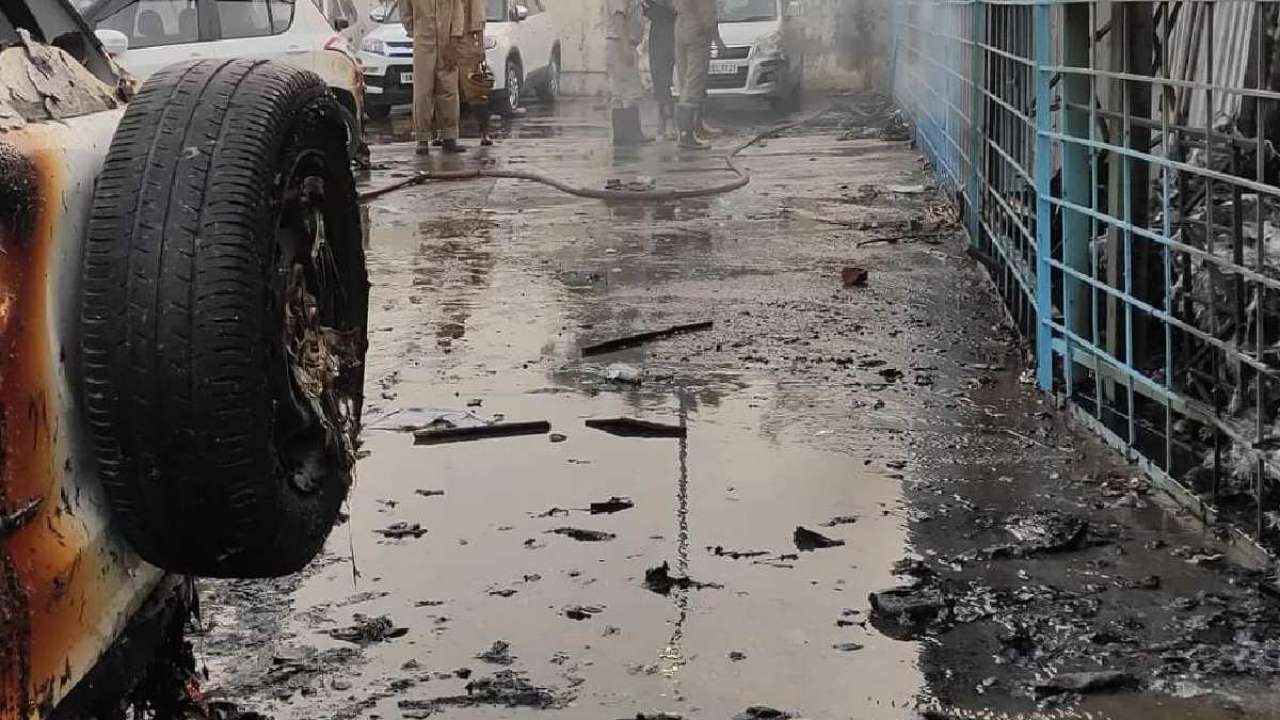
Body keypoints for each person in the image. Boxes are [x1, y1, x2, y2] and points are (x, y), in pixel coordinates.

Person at [399, 0, 467, 155]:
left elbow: (457, 12)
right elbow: (405, 13)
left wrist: (454, 41)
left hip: (447, 45)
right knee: (423, 92)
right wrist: (416, 31)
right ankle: (422, 139)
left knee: (449, 90)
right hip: (424, 44)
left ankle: (449, 137)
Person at [673, 0, 723, 149]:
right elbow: (706, 11)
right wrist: (716, 38)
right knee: (694, 82)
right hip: (696, 27)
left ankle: (695, 127)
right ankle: (686, 136)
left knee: (685, 80)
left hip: (680, 24)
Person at [606, 0, 650, 145]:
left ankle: (622, 134)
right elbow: (619, 18)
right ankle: (632, 133)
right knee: (630, 91)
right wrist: (624, 46)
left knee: (620, 92)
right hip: (620, 43)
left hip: (621, 43)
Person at [644, 0, 677, 139]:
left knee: (669, 77)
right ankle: (664, 119)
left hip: (674, 30)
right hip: (659, 32)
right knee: (659, 76)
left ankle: (669, 120)